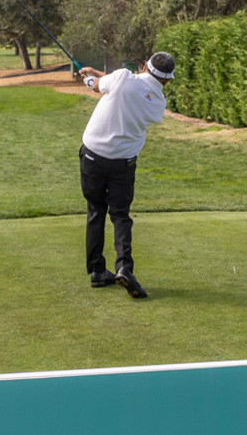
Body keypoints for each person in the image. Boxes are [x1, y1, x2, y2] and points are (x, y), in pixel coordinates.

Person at [71, 51, 175, 299]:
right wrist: (98, 75)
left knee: (96, 211)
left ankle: (97, 272)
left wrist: (89, 80)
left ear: (144, 66)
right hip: (123, 165)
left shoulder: (122, 77)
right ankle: (124, 268)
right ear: (167, 80)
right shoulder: (158, 104)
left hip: (92, 157)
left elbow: (99, 86)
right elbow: (123, 85)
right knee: (120, 216)